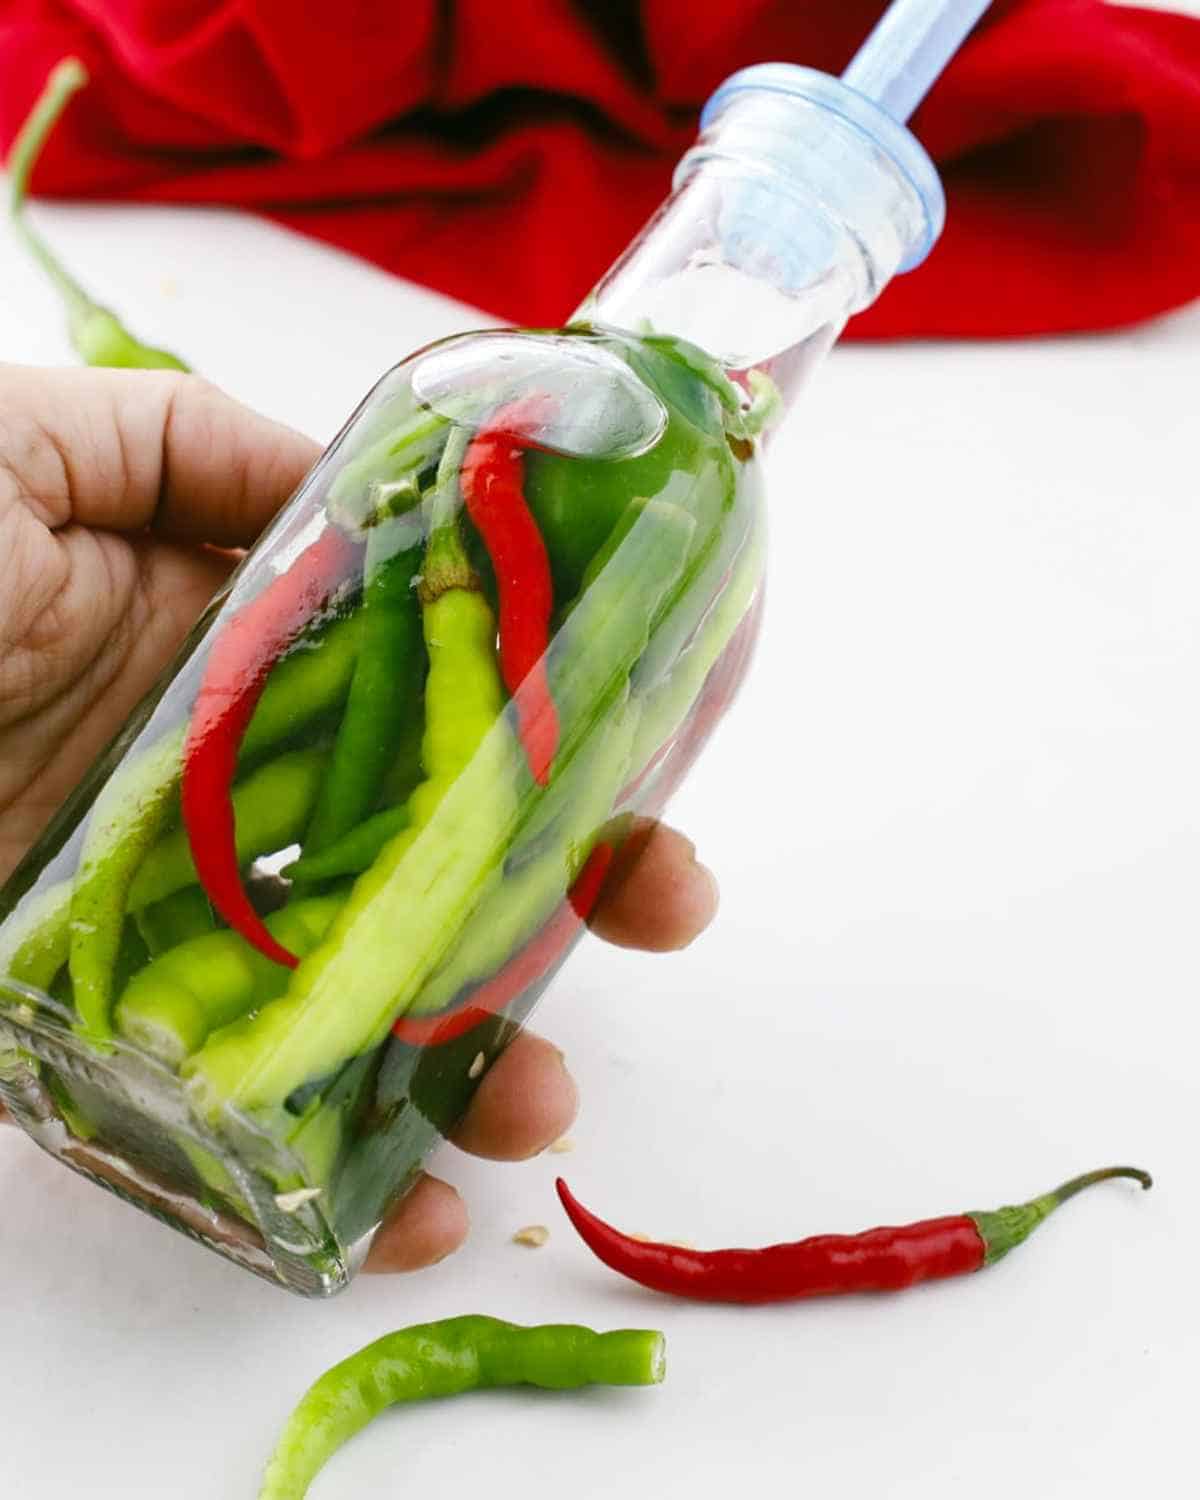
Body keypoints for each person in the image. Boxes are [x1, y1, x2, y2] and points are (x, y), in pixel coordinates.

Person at [0, 363, 720, 1273]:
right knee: (516, 838)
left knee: (517, 838)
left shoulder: (581, 440)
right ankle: (211, 1066)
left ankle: (205, 1057)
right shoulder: (493, 407)